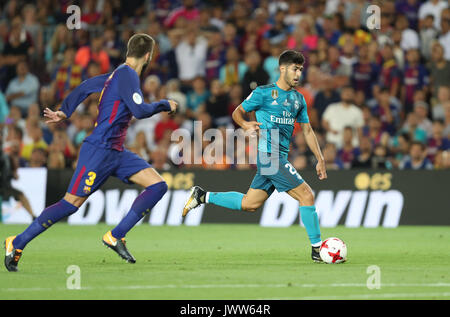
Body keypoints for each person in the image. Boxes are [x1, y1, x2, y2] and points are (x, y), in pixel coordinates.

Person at [4, 34, 178, 272]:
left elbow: (86, 86)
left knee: (158, 185)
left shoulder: (117, 75)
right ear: (148, 56)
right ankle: (17, 242)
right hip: (98, 150)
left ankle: (115, 236)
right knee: (70, 204)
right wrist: (164, 104)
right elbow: (138, 110)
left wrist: (65, 111)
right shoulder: (127, 75)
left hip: (116, 151)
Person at [182, 50, 328, 263]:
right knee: (307, 195)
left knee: (250, 204)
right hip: (269, 157)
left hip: (279, 157)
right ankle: (317, 250)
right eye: (295, 69)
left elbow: (307, 131)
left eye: (300, 70)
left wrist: (320, 158)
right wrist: (244, 124)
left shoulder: (298, 99)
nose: (298, 74)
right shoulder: (263, 93)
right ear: (283, 69)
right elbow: (237, 112)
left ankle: (202, 196)